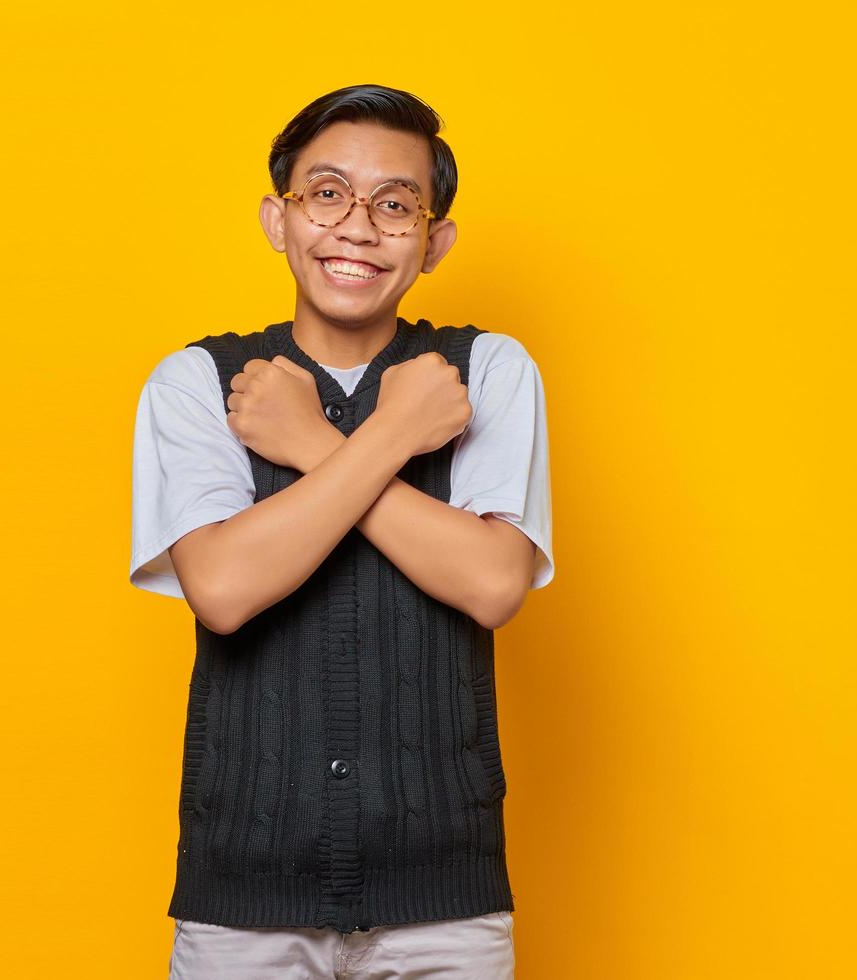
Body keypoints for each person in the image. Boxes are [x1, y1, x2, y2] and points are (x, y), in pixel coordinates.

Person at [129, 83, 554, 979]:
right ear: (278, 221)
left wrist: (311, 444)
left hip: (446, 900)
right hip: (241, 901)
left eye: (395, 205)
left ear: (432, 242)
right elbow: (225, 589)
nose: (358, 227)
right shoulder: (204, 383)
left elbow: (491, 584)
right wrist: (395, 436)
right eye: (327, 194)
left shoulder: (485, 372)